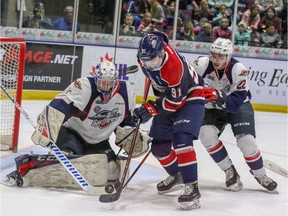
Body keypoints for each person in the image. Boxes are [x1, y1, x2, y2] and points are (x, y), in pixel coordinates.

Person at [4, 61, 149, 193]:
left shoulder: (125, 93)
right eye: (102, 83)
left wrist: (134, 136)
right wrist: (47, 127)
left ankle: (80, 160)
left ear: (116, 81)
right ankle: (27, 170)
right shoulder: (84, 87)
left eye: (109, 83)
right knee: (68, 162)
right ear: (95, 79)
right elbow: (60, 106)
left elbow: (126, 122)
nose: (105, 87)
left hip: (98, 141)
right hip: (71, 133)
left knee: (111, 171)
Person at [192, 38, 278, 192]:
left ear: (228, 56)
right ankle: (229, 171)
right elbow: (187, 86)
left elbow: (235, 103)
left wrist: (218, 95)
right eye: (214, 55)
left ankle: (260, 175)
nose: (216, 60)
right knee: (206, 135)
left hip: (238, 105)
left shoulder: (238, 69)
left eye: (221, 56)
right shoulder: (201, 65)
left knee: (246, 141)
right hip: (212, 108)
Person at [133, 31, 206, 210]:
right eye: (146, 61)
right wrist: (153, 104)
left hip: (191, 96)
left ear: (162, 53)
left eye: (154, 60)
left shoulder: (173, 67)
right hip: (170, 95)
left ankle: (192, 187)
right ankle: (178, 174)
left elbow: (175, 102)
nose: (150, 64)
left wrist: (152, 108)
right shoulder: (144, 57)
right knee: (159, 147)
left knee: (182, 139)